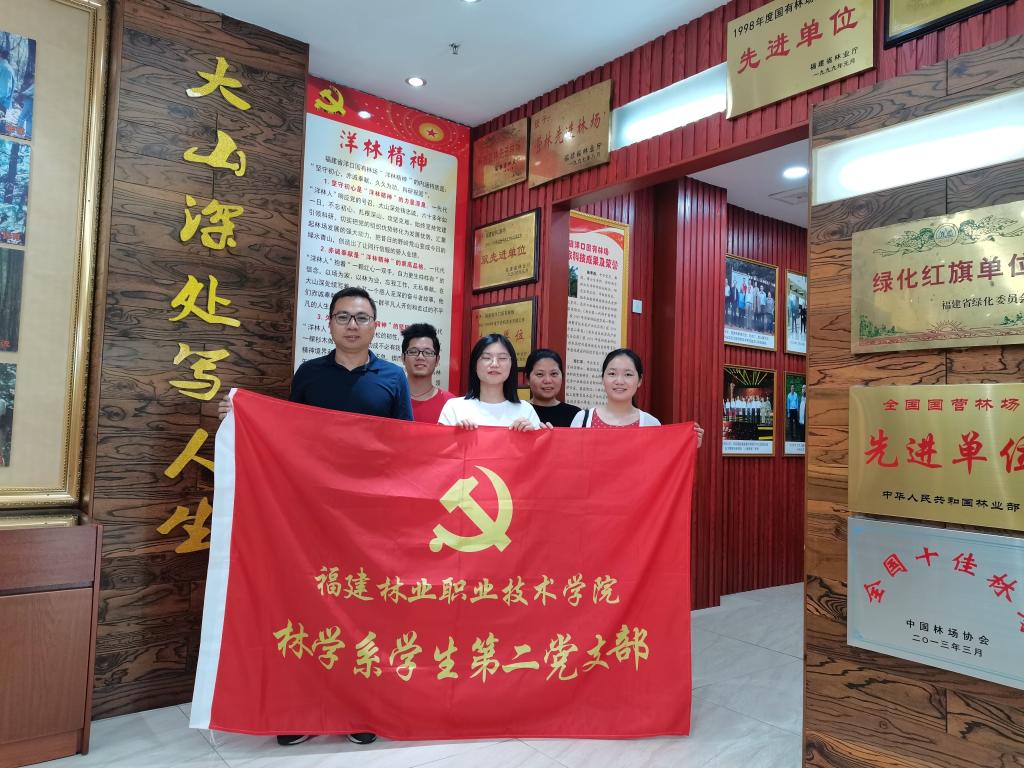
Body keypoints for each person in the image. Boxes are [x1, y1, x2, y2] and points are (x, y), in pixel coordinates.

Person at [218, 286, 410, 747]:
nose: (352, 325)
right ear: (329, 323)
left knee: (363, 611)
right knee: (306, 607)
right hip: (311, 513)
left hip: (368, 518)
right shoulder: (309, 374)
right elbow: (288, 435)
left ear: (375, 326)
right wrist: (242, 414)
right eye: (343, 316)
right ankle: (301, 710)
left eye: (361, 318)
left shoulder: (393, 378)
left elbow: (407, 446)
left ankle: (358, 710)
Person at [570, 348, 703, 446]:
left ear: (639, 380)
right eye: (612, 374)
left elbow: (661, 465)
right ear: (602, 378)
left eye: (628, 374)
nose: (619, 381)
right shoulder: (582, 419)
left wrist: (689, 443)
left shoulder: (651, 424)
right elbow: (570, 462)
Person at [438, 334, 542, 430]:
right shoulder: (454, 408)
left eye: (502, 358)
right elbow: (440, 444)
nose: (495, 364)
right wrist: (456, 437)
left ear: (511, 365)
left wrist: (534, 437)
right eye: (486, 358)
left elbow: (540, 444)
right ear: (475, 365)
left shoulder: (525, 410)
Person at [400, 322, 453, 423]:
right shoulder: (389, 398)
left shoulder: (451, 404)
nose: (420, 357)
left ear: (437, 360)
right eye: (413, 352)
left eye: (428, 352)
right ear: (403, 358)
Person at [524, 348, 580, 427]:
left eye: (554, 374)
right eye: (540, 374)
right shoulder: (519, 411)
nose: (548, 380)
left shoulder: (576, 415)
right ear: (527, 379)